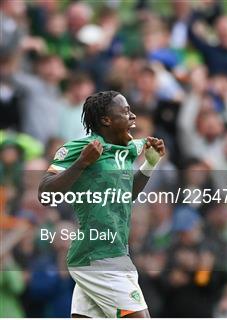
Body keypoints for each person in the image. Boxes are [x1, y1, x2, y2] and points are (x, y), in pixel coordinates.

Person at [38, 91, 166, 318]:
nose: (133, 116)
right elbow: (45, 193)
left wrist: (149, 164)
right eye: (125, 111)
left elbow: (125, 195)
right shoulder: (80, 148)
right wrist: (81, 163)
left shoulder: (127, 150)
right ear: (106, 120)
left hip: (110, 251)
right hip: (99, 255)